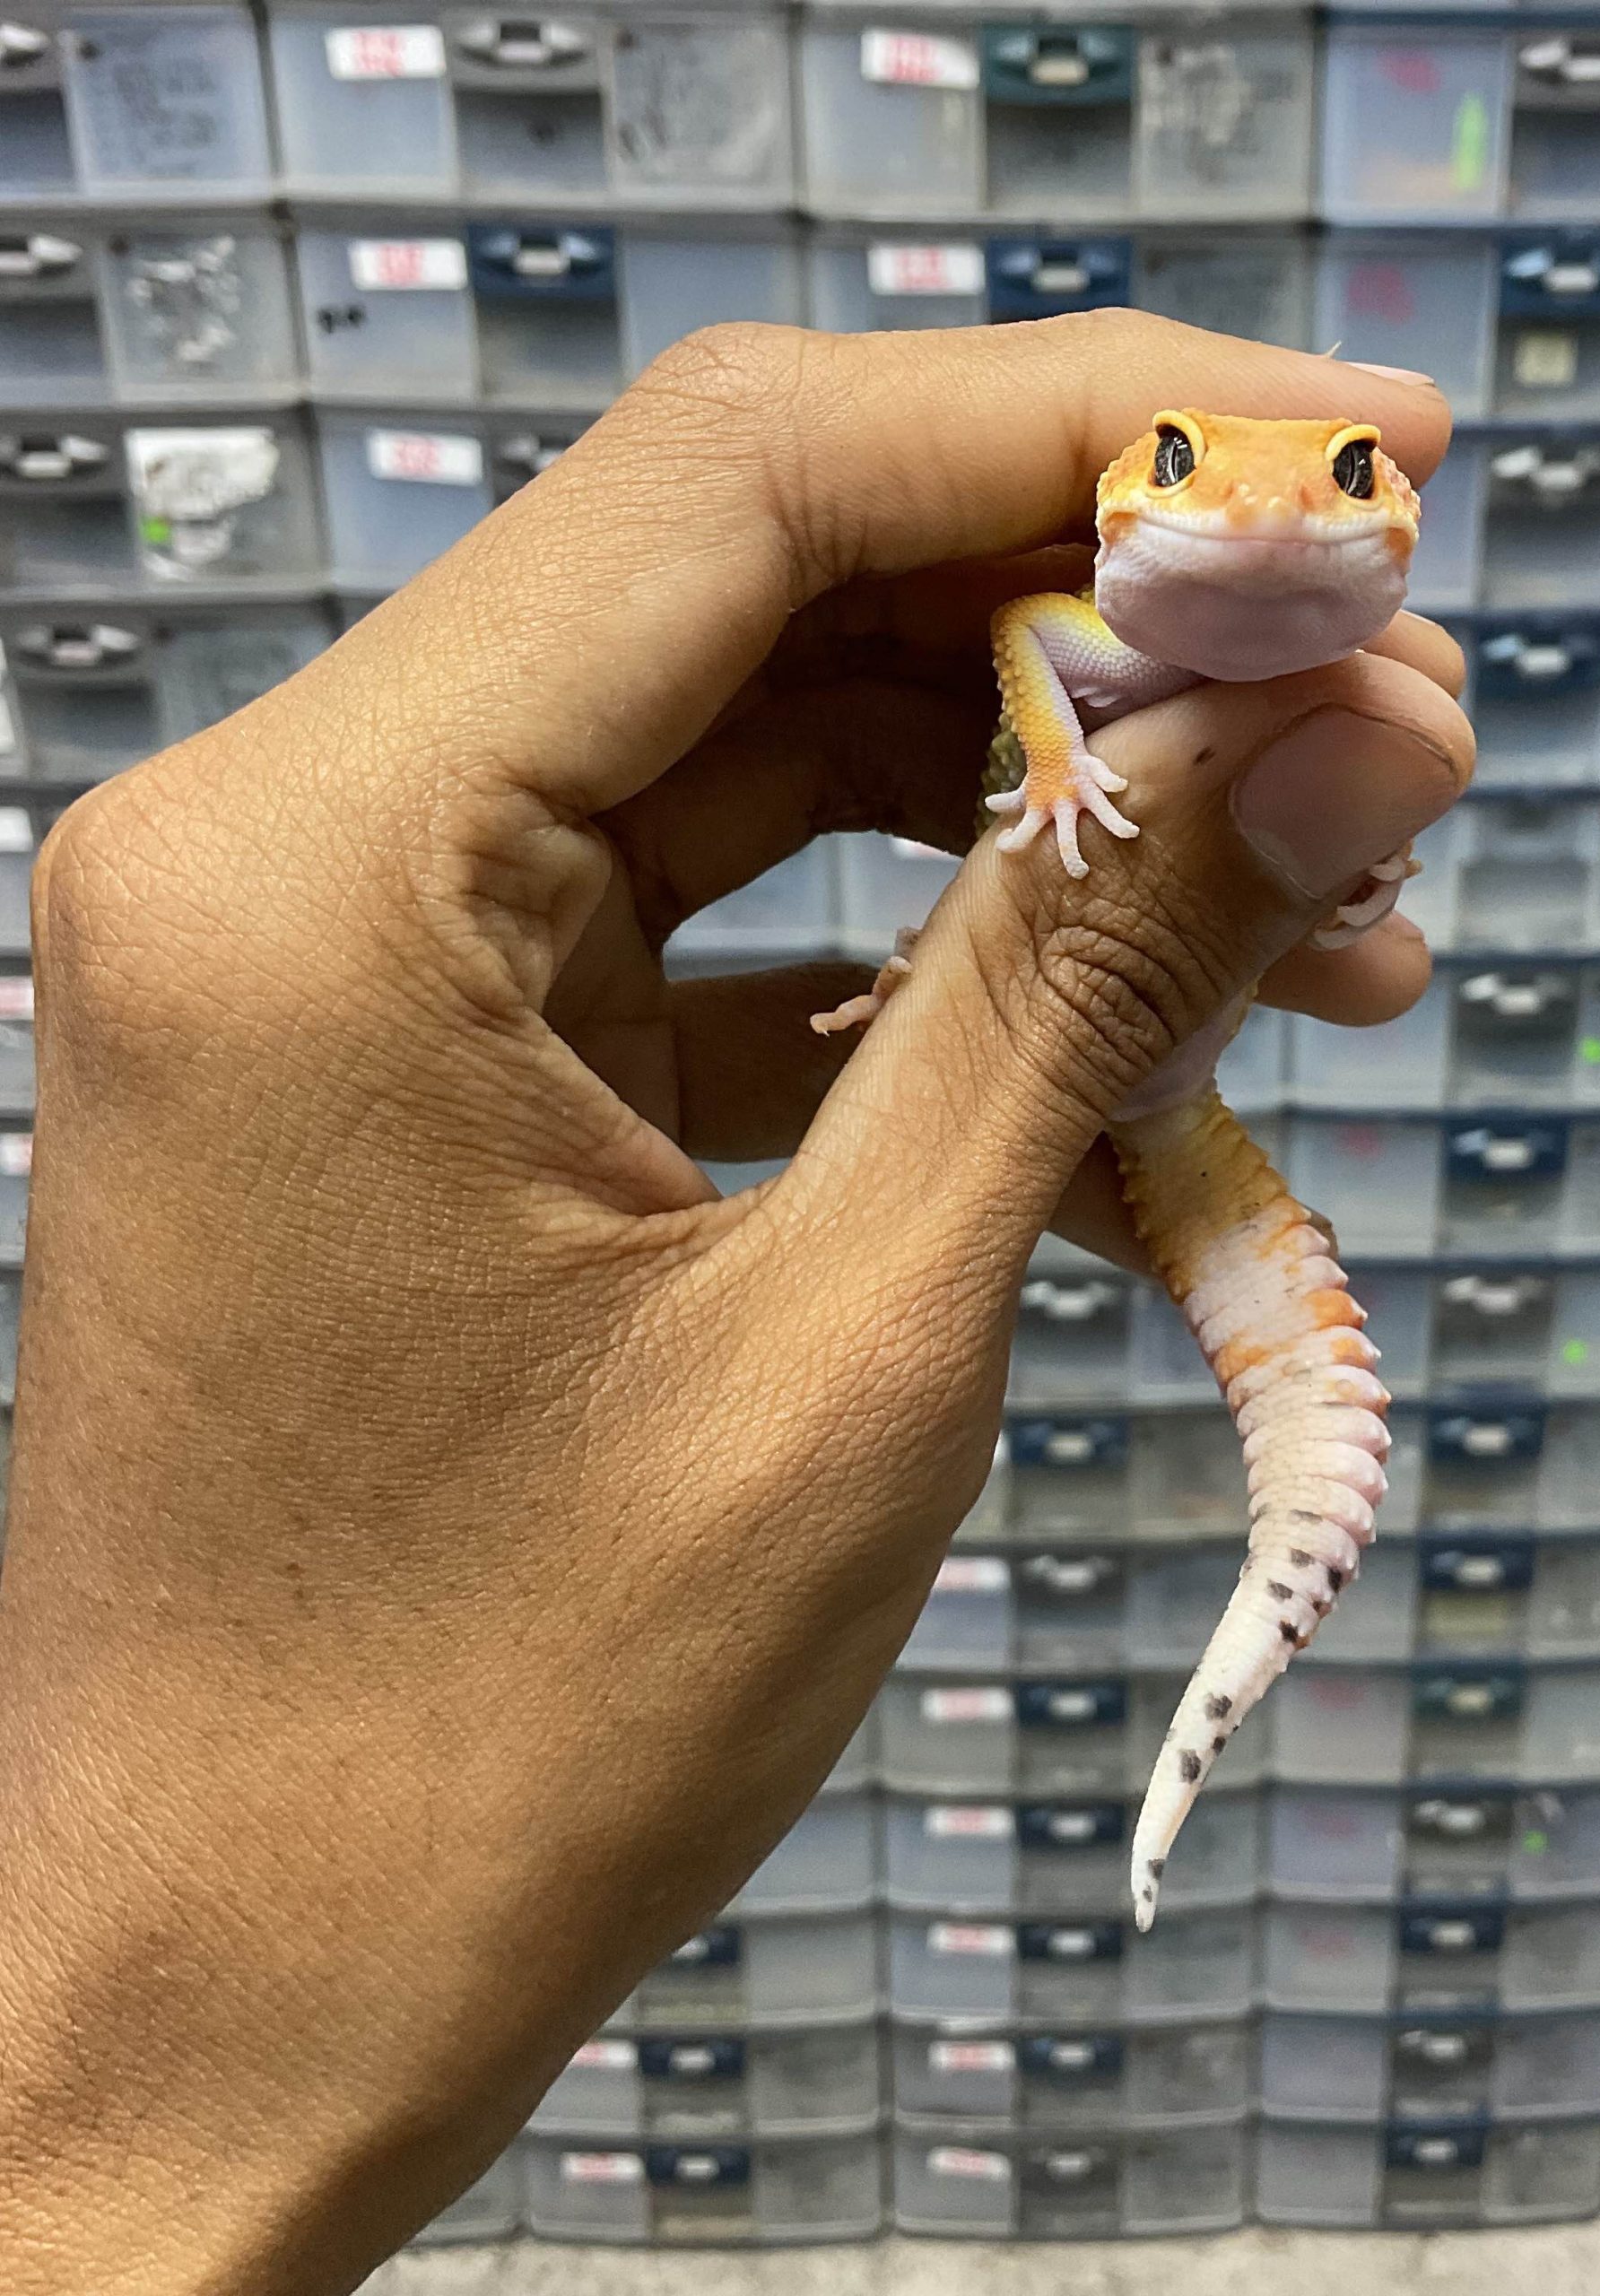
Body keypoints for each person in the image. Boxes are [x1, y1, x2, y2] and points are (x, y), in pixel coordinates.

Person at [0, 312, 1473, 2292]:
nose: (1277, 507)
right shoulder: (1086, 637)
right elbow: (1026, 641)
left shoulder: (1305, 681)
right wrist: (1060, 796)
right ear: (1132, 502)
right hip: (1147, 1029)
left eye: (1348, 478)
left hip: (1169, 1057)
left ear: (1392, 524)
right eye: (1197, 463)